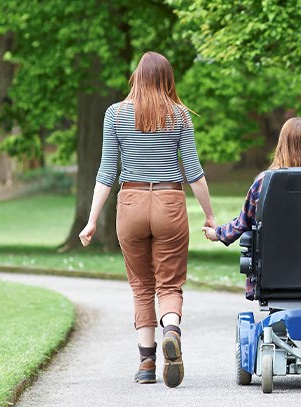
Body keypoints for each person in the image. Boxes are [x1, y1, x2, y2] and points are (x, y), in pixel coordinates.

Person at [79, 52, 215, 388]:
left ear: (137, 77)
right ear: (168, 79)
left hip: (131, 202)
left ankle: (146, 363)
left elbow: (107, 172)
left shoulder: (116, 114)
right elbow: (194, 173)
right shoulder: (180, 116)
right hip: (169, 201)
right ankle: (171, 330)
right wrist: (210, 216)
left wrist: (92, 220)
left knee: (141, 286)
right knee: (169, 284)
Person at [202, 117, 301, 300]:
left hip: (273, 280)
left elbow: (242, 223)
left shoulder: (265, 183)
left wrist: (218, 233)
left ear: (282, 145)